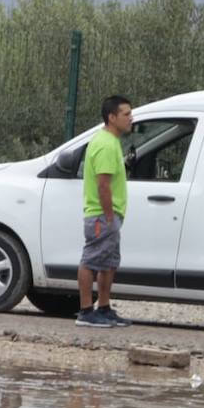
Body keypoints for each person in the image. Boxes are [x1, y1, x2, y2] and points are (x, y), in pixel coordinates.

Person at [76, 95, 134, 328]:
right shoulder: (105, 144)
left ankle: (104, 307)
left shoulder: (111, 142)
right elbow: (103, 184)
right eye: (126, 114)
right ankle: (86, 311)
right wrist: (109, 216)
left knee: (109, 262)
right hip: (102, 215)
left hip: (110, 215)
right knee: (91, 260)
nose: (131, 118)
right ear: (112, 117)